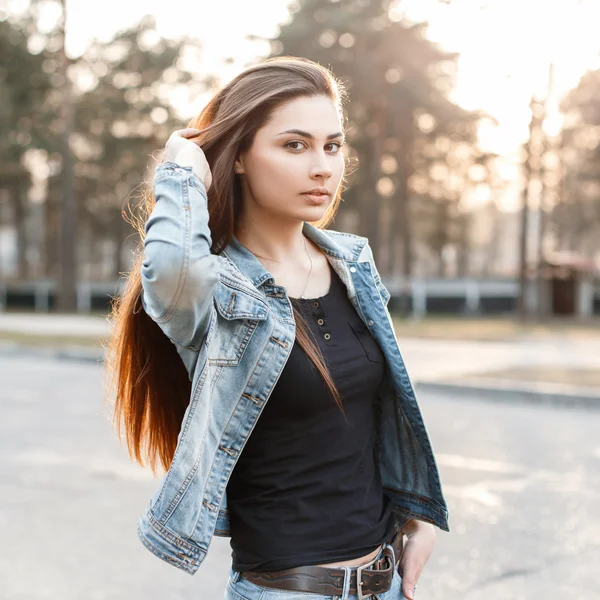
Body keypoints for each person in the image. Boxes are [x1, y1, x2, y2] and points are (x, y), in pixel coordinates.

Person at [106, 56, 449, 600]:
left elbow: (369, 420)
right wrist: (180, 165)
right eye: (294, 145)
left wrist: (417, 514)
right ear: (239, 156)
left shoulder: (351, 266)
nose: (323, 168)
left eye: (332, 146)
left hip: (385, 583)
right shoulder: (217, 290)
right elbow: (172, 269)